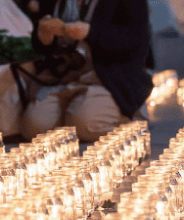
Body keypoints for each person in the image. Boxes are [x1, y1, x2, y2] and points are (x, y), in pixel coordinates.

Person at [19, 0, 153, 142]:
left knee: (84, 125)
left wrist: (91, 32)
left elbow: (134, 40)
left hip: (106, 78)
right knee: (34, 128)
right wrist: (43, 35)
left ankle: (128, 120)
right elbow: (43, 46)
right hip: (63, 77)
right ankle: (74, 116)